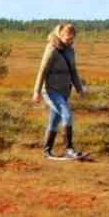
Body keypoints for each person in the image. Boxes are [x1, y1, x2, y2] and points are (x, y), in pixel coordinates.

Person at [32, 23, 86, 158]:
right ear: (60, 36)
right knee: (67, 114)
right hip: (50, 90)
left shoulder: (70, 50)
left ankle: (47, 151)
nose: (69, 41)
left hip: (64, 90)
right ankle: (69, 149)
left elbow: (73, 70)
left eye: (72, 39)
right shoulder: (51, 48)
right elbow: (42, 70)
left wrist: (79, 88)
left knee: (54, 121)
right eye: (67, 39)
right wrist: (36, 91)